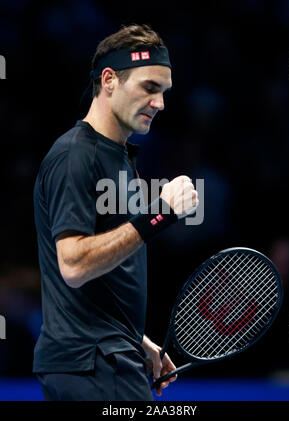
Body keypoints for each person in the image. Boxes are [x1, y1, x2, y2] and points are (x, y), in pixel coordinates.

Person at [33, 23, 199, 401]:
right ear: (109, 80)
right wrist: (160, 214)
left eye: (164, 91)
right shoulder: (76, 155)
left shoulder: (119, 158)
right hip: (91, 366)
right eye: (149, 88)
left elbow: (96, 280)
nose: (160, 103)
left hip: (110, 358)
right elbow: (73, 266)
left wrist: (136, 340)